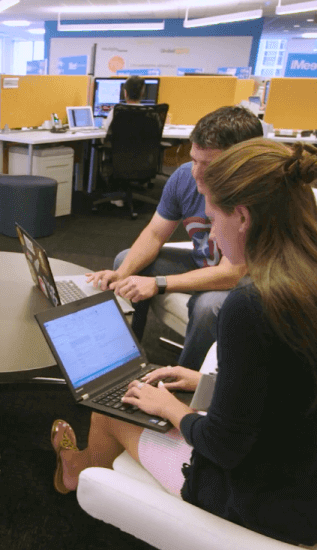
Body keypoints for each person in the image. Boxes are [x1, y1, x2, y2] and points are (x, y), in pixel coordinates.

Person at [52, 139, 317, 546]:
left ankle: (79, 473)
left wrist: (167, 406)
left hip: (272, 507)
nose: (213, 236)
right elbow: (299, 387)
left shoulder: (251, 306)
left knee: (112, 410)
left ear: (242, 217)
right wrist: (211, 383)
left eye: (213, 216)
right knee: (165, 397)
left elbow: (223, 447)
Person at [86, 106, 263, 370]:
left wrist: (157, 283)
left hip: (249, 282)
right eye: (194, 160)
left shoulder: (257, 192)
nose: (196, 173)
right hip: (205, 263)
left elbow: (233, 273)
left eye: (210, 165)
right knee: (126, 261)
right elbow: (156, 233)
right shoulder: (184, 177)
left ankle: (185, 382)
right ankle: (126, 358)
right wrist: (123, 273)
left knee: (208, 306)